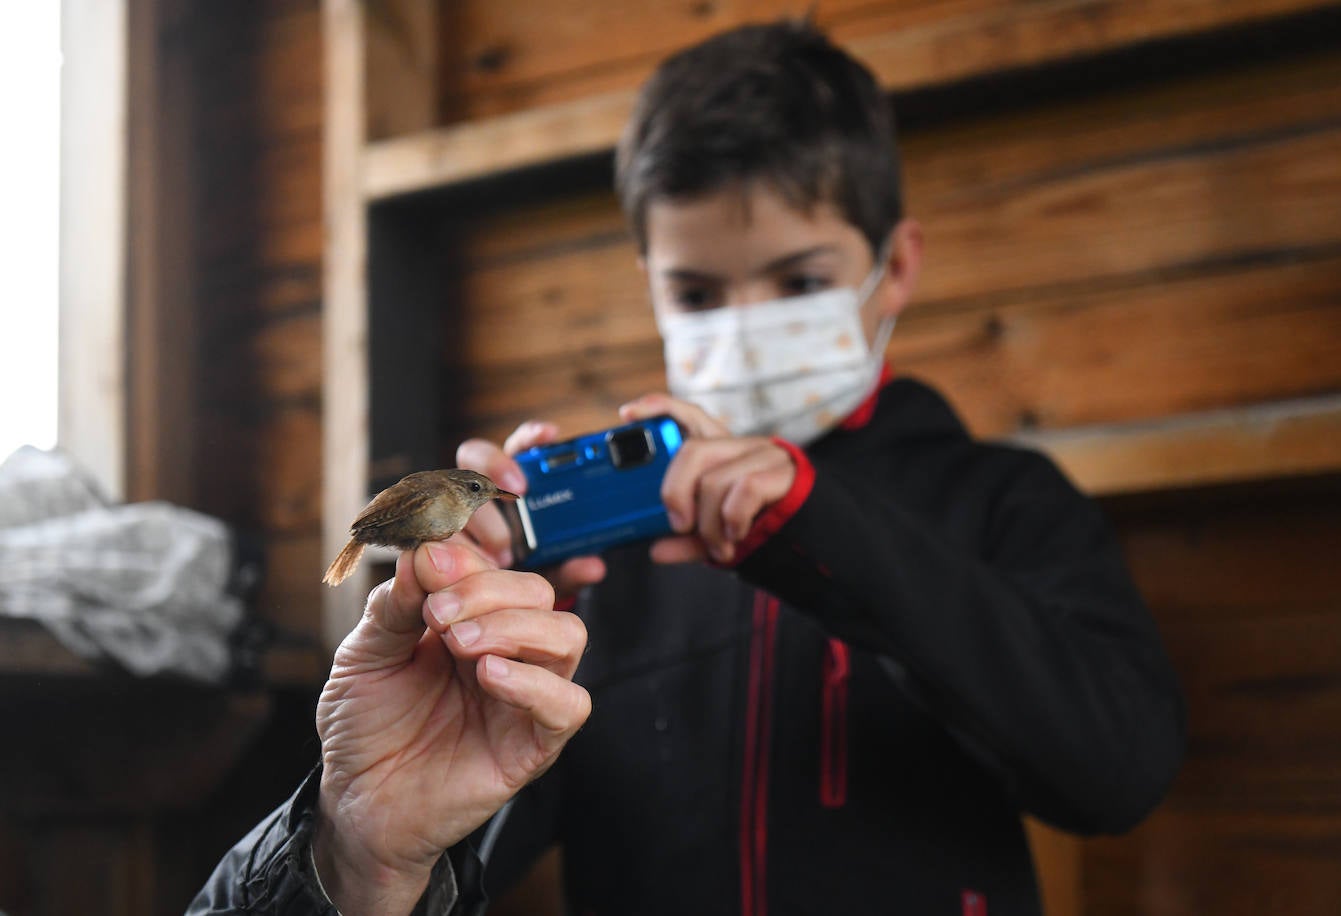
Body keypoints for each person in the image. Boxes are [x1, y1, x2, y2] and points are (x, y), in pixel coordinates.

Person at [192, 19, 1185, 916]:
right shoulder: (591, 568)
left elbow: (1119, 770)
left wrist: (821, 529)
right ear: (651, 289)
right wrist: (360, 845)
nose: (748, 325)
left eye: (800, 280)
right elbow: (461, 850)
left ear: (898, 266)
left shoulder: (1002, 504)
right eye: (699, 291)